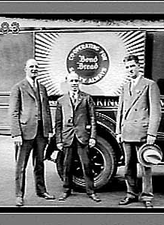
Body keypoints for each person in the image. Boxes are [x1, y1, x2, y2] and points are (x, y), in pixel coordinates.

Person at [116, 55, 161, 208]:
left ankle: (147, 197)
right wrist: (118, 131)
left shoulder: (150, 84)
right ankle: (131, 194)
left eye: (132, 66)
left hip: (142, 132)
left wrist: (151, 134)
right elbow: (120, 110)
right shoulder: (125, 86)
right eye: (127, 67)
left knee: (145, 166)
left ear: (138, 66)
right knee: (128, 166)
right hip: (127, 132)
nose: (130, 70)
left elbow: (155, 111)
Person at [10, 58, 55, 207]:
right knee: (21, 166)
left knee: (40, 164)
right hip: (24, 133)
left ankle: (41, 191)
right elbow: (14, 112)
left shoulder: (42, 87)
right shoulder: (18, 87)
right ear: (25, 69)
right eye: (31, 66)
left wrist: (48, 130)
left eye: (36, 66)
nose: (34, 69)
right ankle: (19, 195)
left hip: (41, 133)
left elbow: (46, 110)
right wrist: (16, 133)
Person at [55, 71, 101, 203]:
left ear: (79, 82)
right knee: (66, 165)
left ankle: (91, 191)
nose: (74, 83)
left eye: (76, 81)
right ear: (67, 83)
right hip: (67, 137)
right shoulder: (61, 100)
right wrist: (59, 140)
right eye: (72, 81)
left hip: (82, 136)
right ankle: (66, 190)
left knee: (86, 164)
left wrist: (92, 137)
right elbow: (58, 123)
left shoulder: (87, 98)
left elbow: (93, 119)